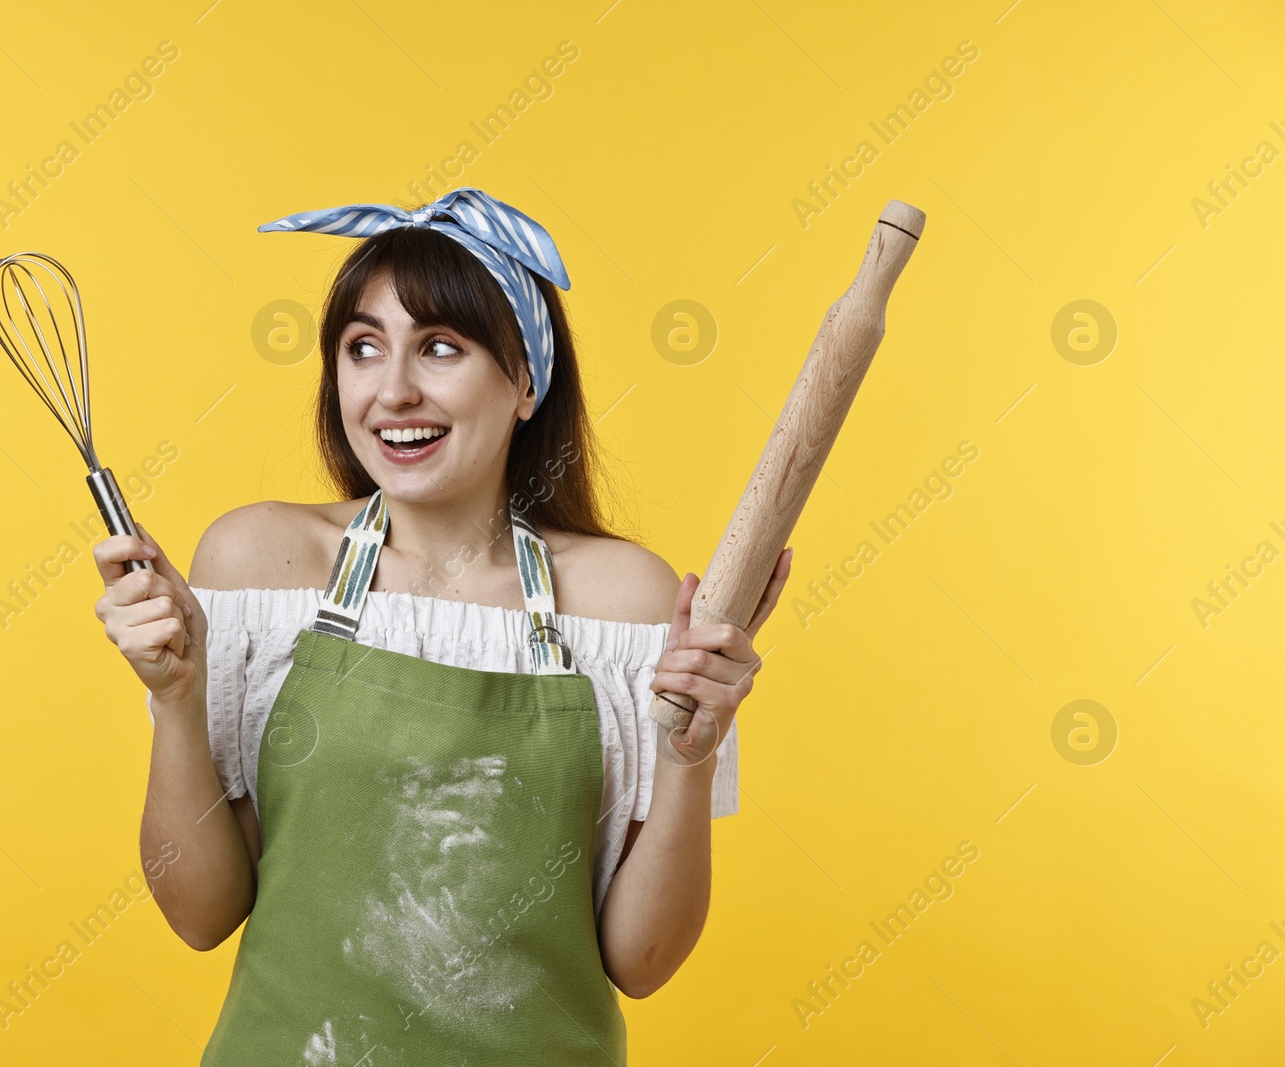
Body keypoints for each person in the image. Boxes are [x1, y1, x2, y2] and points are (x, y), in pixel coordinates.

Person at [91, 187, 793, 1064]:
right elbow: (198, 914)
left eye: (439, 347)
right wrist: (177, 699)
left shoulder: (625, 604)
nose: (392, 390)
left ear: (526, 379)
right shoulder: (259, 562)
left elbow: (643, 961)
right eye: (363, 348)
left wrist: (690, 755)